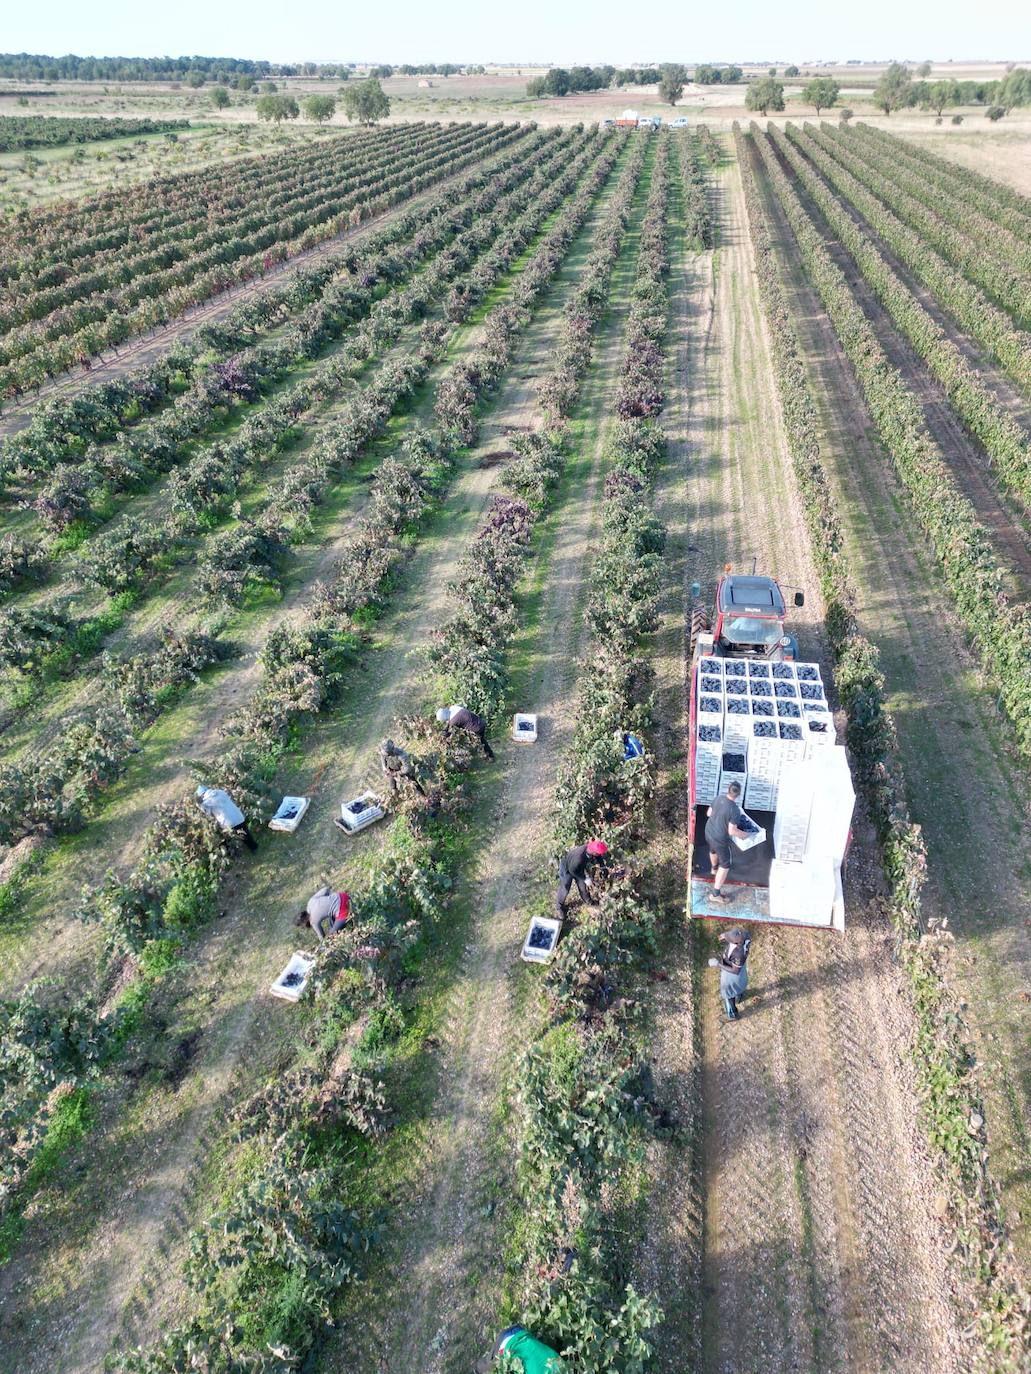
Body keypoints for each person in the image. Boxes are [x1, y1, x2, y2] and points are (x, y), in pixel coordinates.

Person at [704, 780, 749, 904]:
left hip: (709, 832)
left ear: (727, 789)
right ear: (738, 795)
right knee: (725, 865)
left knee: (712, 850)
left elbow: (709, 813)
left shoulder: (718, 798)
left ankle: (713, 869)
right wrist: (745, 835)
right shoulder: (734, 810)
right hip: (720, 840)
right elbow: (732, 831)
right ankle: (715, 894)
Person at [196, 783, 258, 851]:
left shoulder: (206, 801)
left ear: (201, 795)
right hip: (238, 815)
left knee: (230, 838)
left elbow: (208, 813)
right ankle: (254, 847)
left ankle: (235, 853)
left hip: (228, 822)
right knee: (245, 832)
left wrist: (199, 804)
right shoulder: (219, 791)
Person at [555, 839, 608, 919]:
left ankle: (589, 902)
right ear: (594, 852)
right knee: (565, 888)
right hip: (567, 868)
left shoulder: (592, 849)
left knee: (583, 887)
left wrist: (603, 867)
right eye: (598, 853)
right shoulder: (579, 857)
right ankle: (559, 907)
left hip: (578, 868)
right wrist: (585, 878)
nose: (599, 855)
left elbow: (599, 857)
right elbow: (572, 870)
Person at [708, 925, 752, 1020]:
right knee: (739, 985)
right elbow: (735, 935)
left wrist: (718, 964)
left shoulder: (738, 954)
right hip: (741, 969)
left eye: (730, 939)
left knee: (728, 993)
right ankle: (739, 996)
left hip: (732, 975)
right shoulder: (745, 936)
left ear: (736, 943)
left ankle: (732, 1015)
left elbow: (735, 971)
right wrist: (726, 935)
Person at [475, 1327, 562, 1374]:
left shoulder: (565, 1368)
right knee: (490, 1363)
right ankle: (477, 1370)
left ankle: (477, 1369)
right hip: (507, 1344)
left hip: (519, 1332)